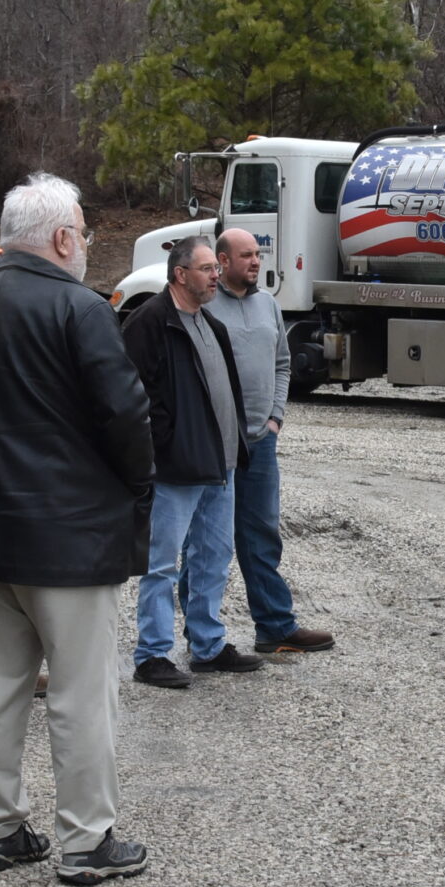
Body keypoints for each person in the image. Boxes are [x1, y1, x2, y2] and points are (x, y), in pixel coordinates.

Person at [0, 172, 154, 884]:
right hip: (70, 541)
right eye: (81, 228)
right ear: (61, 238)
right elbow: (126, 415)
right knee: (82, 692)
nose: (84, 240)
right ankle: (84, 840)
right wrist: (133, 488)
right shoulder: (82, 310)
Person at [122, 235, 259, 686]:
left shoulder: (210, 324)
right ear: (181, 275)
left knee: (214, 557)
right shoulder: (149, 323)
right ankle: (152, 654)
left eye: (215, 269)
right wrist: (165, 446)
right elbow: (132, 396)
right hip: (176, 467)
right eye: (206, 269)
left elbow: (227, 392)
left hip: (221, 467)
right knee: (163, 563)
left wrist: (237, 443)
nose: (215, 275)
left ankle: (207, 645)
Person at [204, 224, 333, 656]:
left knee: (261, 535)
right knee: (208, 542)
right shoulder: (204, 308)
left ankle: (275, 627)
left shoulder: (267, 306)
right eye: (246, 255)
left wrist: (276, 417)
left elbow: (282, 364)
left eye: (257, 254)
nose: (256, 261)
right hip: (215, 445)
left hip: (261, 442)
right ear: (222, 262)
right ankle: (203, 639)